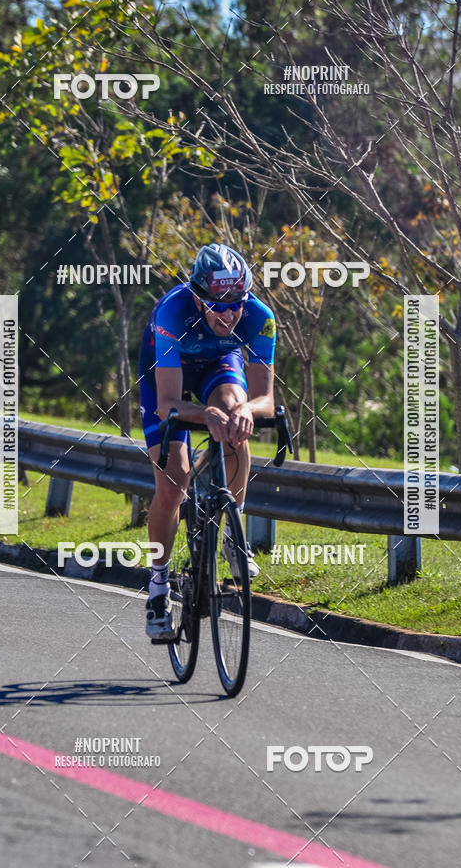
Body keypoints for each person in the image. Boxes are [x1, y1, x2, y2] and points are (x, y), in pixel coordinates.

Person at [138, 243, 277, 640]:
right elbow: (167, 404)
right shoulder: (173, 312)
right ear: (198, 298)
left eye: (237, 303)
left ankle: (234, 532)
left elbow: (266, 398)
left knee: (236, 419)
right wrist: (204, 414)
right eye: (219, 305)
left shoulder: (260, 317)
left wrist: (246, 411)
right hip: (167, 377)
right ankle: (159, 587)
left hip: (219, 367)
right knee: (173, 483)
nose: (230, 314)